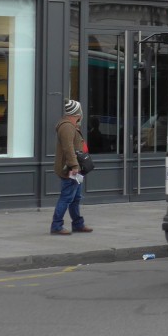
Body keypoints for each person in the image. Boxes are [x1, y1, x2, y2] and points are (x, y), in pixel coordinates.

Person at [51, 99, 93, 235]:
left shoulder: (71, 126)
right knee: (67, 197)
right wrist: (74, 165)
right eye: (80, 112)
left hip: (76, 170)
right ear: (77, 113)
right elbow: (68, 148)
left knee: (76, 197)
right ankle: (56, 226)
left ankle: (78, 224)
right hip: (70, 169)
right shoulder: (67, 127)